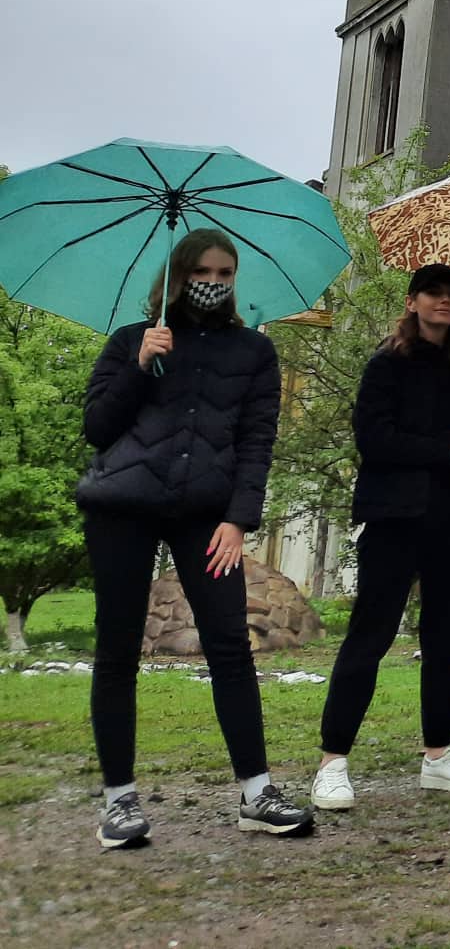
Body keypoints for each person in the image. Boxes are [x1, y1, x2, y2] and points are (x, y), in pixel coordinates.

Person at [77, 228, 313, 847]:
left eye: (226, 273)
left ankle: (256, 792)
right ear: (177, 277)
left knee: (230, 645)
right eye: (202, 271)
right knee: (118, 651)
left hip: (206, 515)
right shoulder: (135, 339)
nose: (214, 282)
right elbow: (97, 428)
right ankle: (119, 803)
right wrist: (138, 365)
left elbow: (257, 441)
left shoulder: (255, 353)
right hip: (121, 509)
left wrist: (238, 519)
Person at [313, 264, 450, 813]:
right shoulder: (385, 364)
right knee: (371, 634)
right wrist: (446, 451)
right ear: (413, 301)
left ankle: (438, 753)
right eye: (434, 294)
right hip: (394, 516)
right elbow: (375, 437)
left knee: (446, 640)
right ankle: (332, 762)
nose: (444, 302)